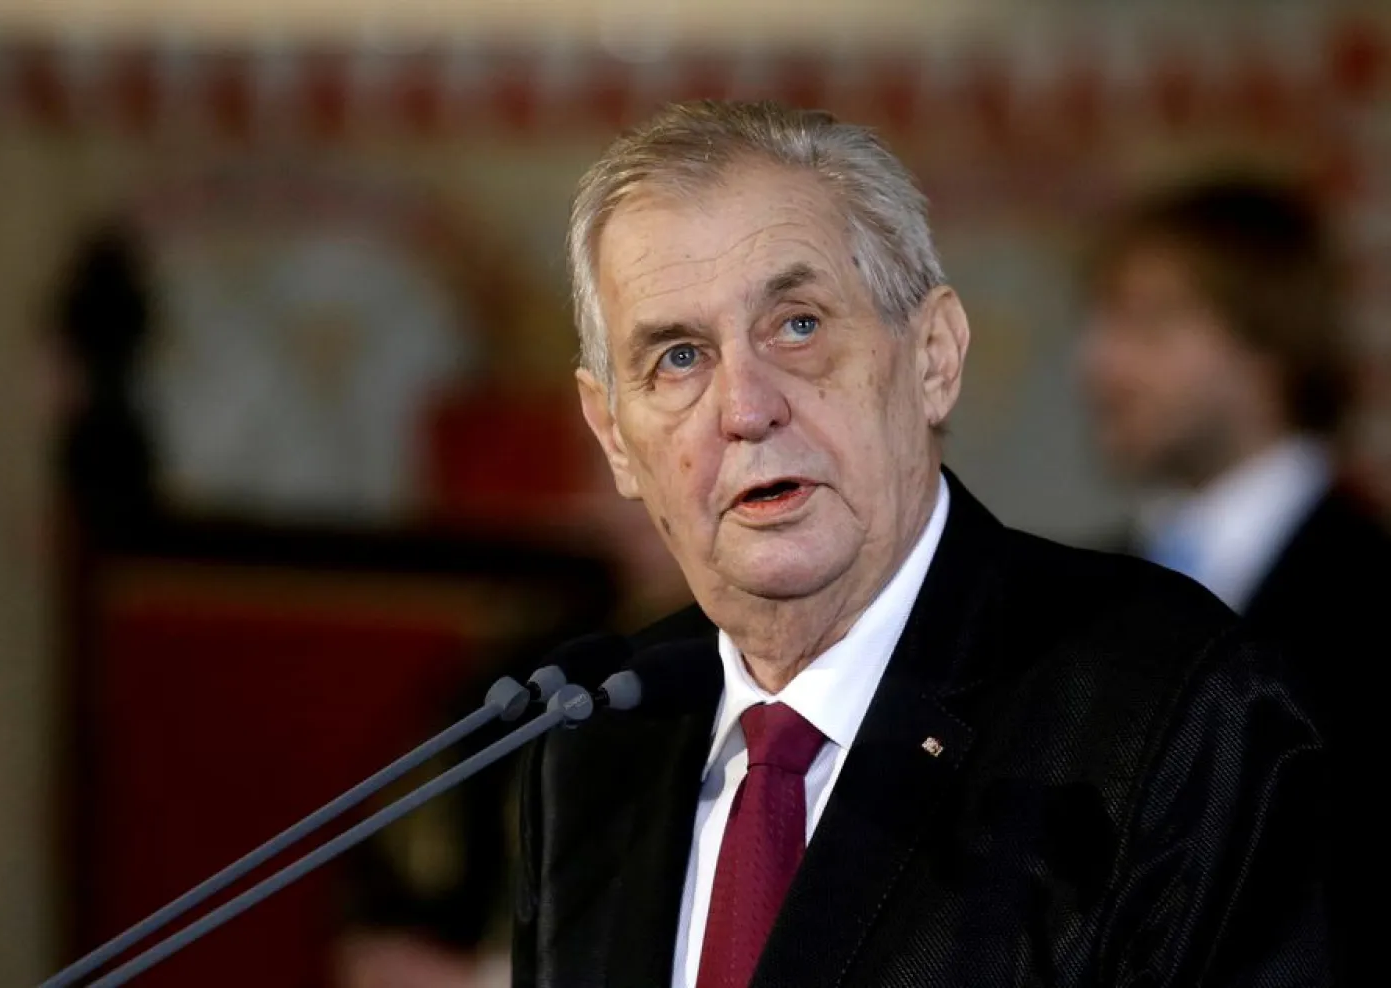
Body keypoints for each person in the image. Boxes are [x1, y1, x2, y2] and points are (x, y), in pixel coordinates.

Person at [511, 100, 1328, 988]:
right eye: (678, 357)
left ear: (934, 356)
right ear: (614, 437)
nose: (745, 409)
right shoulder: (597, 739)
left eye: (799, 325)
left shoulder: (1179, 708)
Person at [1078, 175, 1391, 979]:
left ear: (1267, 341)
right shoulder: (1078, 593)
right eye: (1104, 321)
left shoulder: (1371, 592)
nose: (1100, 362)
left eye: (1149, 323)